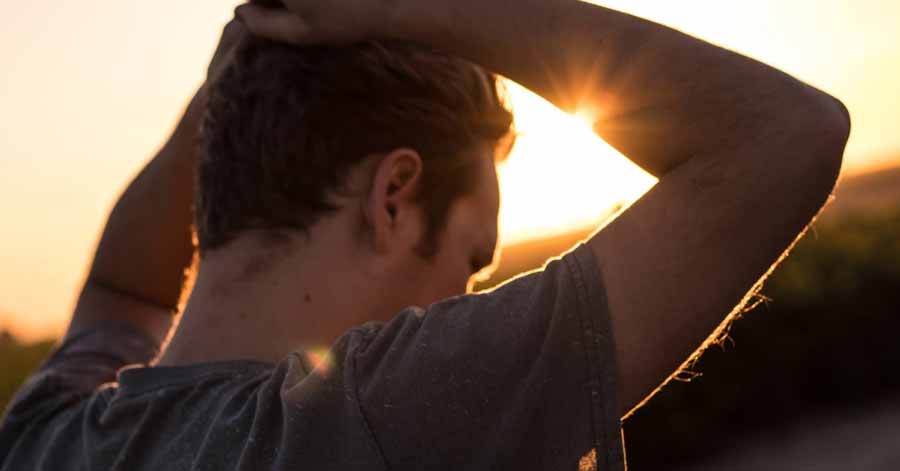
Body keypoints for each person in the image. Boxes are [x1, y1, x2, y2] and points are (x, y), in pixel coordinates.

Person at [0, 1, 849, 470]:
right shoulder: (371, 423)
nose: (468, 298)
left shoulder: (50, 430)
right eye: (474, 260)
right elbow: (786, 136)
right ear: (394, 196)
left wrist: (247, 52)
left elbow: (122, 287)